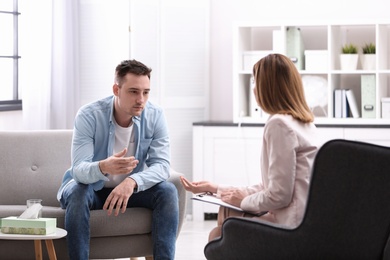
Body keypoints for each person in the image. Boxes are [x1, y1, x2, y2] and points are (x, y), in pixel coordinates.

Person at [181, 53, 321, 240]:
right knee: (224, 219)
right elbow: (272, 186)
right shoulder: (304, 124)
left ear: (268, 87)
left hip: (291, 225)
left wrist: (244, 201)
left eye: (255, 82)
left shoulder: (279, 125)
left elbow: (280, 195)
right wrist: (216, 189)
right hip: (305, 219)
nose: (254, 90)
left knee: (219, 231)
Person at [57, 59, 179, 260]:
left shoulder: (155, 115)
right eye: (133, 91)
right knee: (78, 192)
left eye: (146, 92)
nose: (141, 99)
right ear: (116, 89)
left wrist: (132, 182)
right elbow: (78, 169)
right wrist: (104, 166)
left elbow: (163, 166)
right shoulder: (89, 115)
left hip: (130, 192)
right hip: (92, 190)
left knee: (167, 191)